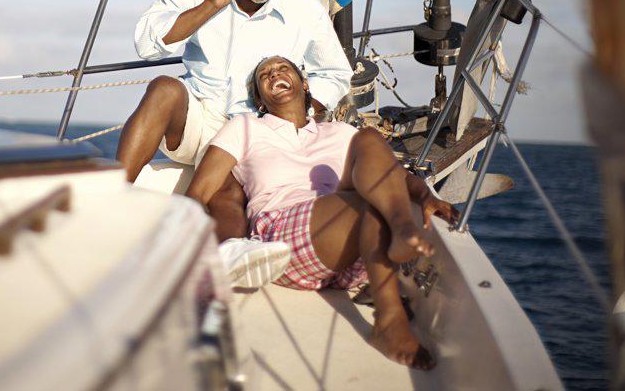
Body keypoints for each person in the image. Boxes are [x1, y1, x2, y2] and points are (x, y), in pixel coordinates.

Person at [185, 55, 459, 370]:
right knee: (368, 203)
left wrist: (426, 196)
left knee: (370, 140)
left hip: (355, 251)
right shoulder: (244, 127)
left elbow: (392, 174)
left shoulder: (339, 131)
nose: (275, 73)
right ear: (259, 100)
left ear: (305, 84)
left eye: (283, 68)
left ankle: (399, 229)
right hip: (285, 239)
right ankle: (389, 319)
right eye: (265, 74)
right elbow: (199, 192)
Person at [117, 0, 352, 250]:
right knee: (163, 88)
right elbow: (148, 45)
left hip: (255, 130)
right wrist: (211, 6)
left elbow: (335, 72)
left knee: (228, 194)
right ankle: (109, 202)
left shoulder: (304, 8)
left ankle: (226, 258)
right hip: (198, 117)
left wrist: (295, 118)